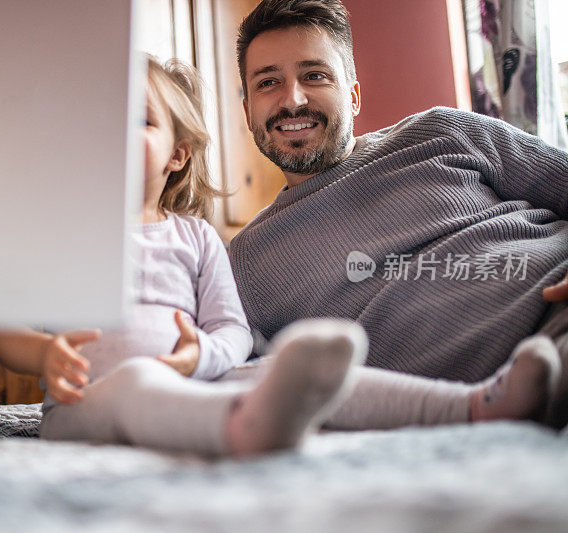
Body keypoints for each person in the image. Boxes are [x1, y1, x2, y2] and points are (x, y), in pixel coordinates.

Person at [0, 58, 561, 455]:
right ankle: (241, 430)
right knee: (142, 383)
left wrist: (203, 356)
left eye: (132, 116)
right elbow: (6, 334)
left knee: (273, 368)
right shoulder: (60, 237)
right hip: (90, 405)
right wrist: (46, 355)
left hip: (197, 377)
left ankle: (475, 405)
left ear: (176, 153)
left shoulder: (197, 239)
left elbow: (231, 331)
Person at [227, 0, 568, 428]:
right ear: (248, 111)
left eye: (314, 75)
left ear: (352, 95)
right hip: (482, 399)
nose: (292, 99)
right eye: (268, 82)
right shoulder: (240, 265)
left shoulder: (444, 131)